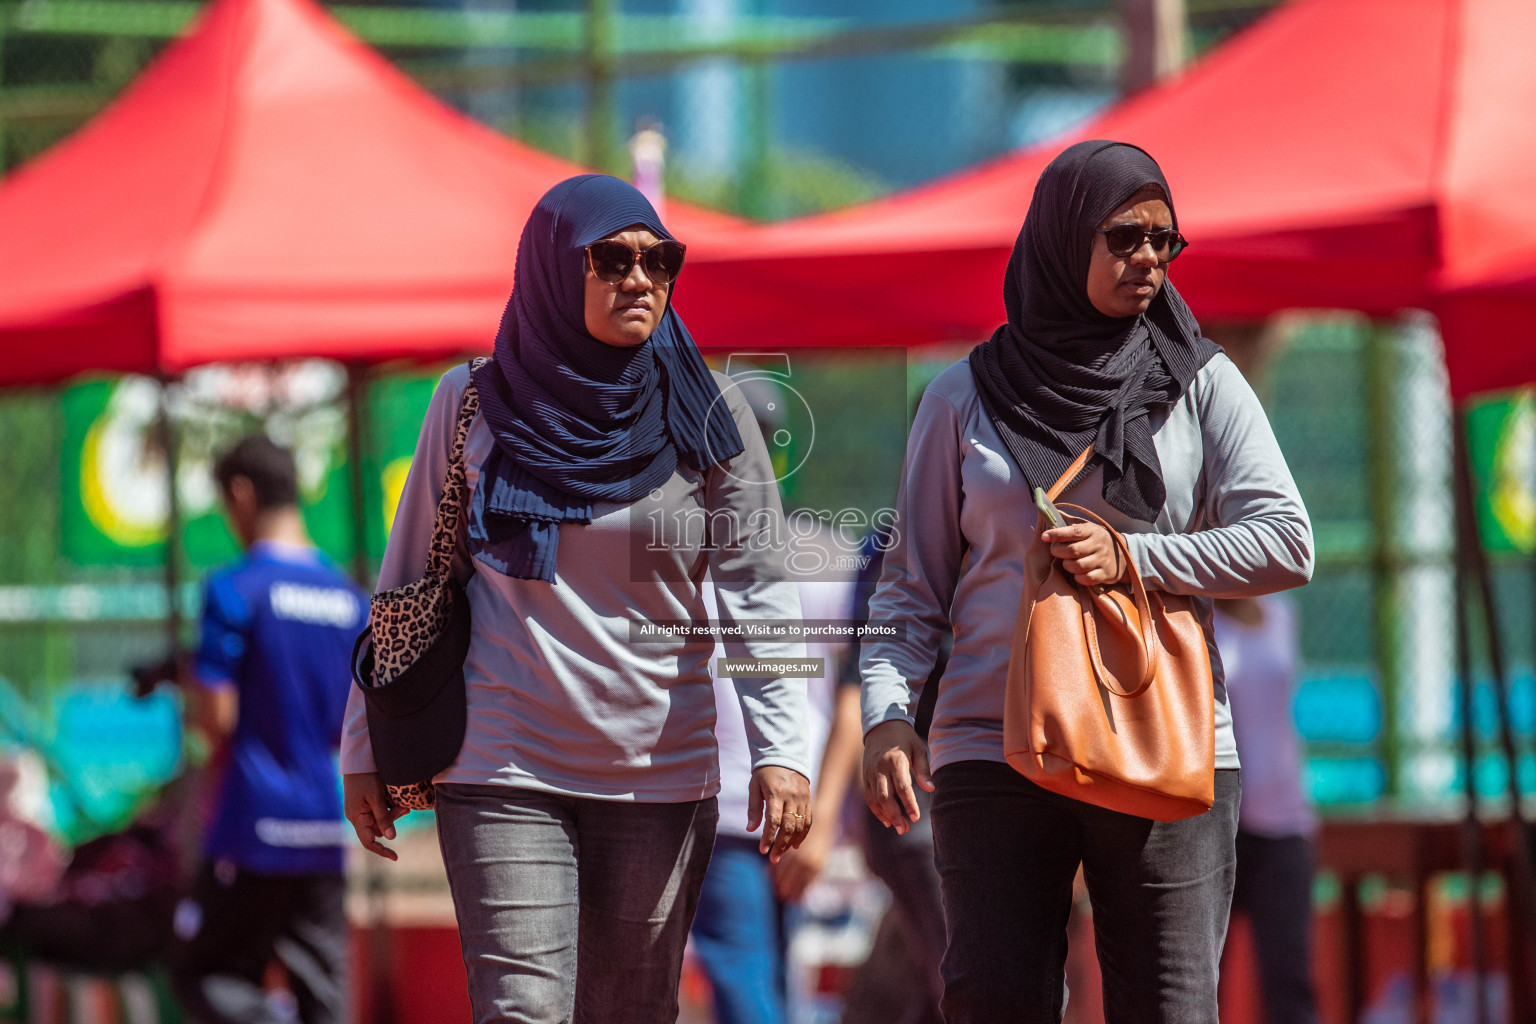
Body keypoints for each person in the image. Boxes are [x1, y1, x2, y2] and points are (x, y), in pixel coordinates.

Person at [340, 174, 813, 1024]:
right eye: (613, 258)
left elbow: (761, 591)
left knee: (630, 1012)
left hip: (659, 777)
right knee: (524, 1010)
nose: (641, 278)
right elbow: (408, 579)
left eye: (659, 260)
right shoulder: (472, 403)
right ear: (558, 270)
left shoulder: (712, 416)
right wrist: (360, 747)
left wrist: (784, 748)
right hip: (503, 765)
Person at [859, 140, 1314, 1024]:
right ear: (1064, 240)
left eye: (1164, 241)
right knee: (994, 1001)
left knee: (1171, 1008)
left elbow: (1287, 542)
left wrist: (1140, 558)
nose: (1148, 257)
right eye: (1124, 237)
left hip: (1164, 735)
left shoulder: (1203, 382)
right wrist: (886, 715)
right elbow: (909, 589)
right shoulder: (962, 397)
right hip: (992, 740)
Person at [170, 434, 364, 1024]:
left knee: (208, 975)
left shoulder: (235, 588)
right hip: (324, 826)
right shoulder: (349, 600)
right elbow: (348, 722)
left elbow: (217, 719)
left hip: (249, 827)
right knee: (321, 996)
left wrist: (191, 694)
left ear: (241, 493)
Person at [688, 374, 860, 1024]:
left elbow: (850, 697)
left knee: (755, 987)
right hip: (770, 808)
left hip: (752, 809)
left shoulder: (690, 552)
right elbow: (849, 701)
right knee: (770, 985)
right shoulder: (829, 553)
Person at [1216, 593, 1320, 1024]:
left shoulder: (1281, 614)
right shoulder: (1197, 616)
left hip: (1285, 823)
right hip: (1217, 827)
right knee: (1199, 984)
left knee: (1289, 984)